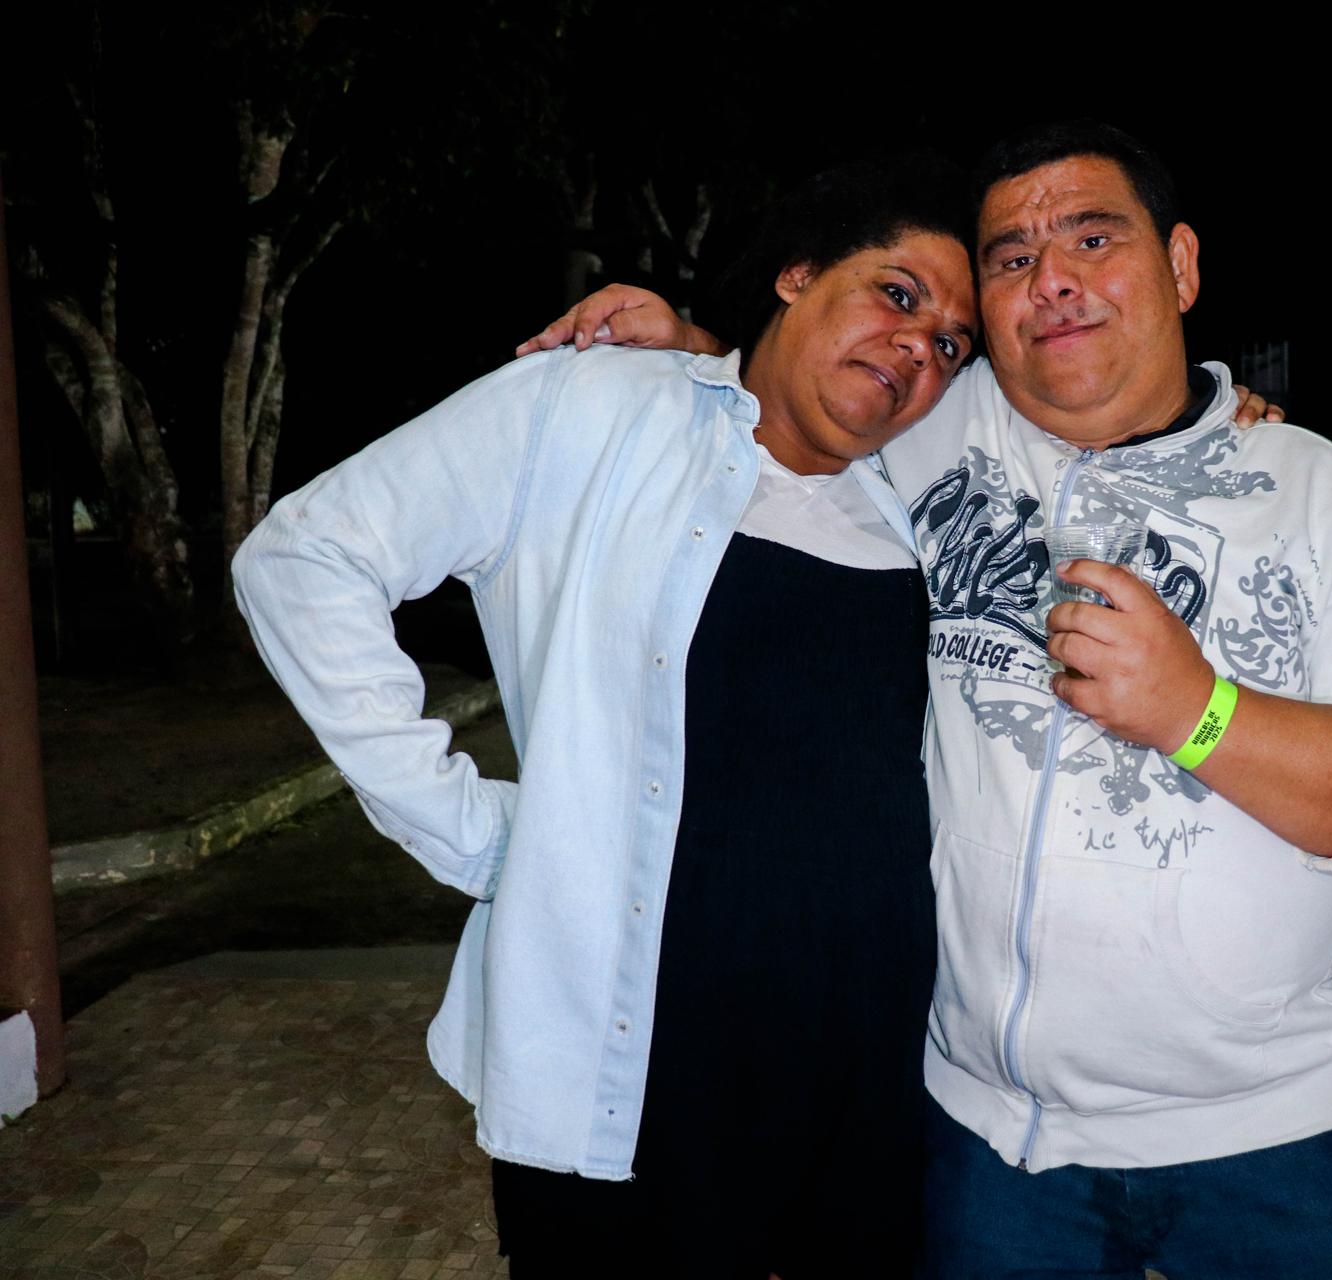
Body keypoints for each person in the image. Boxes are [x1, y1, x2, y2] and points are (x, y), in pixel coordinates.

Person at [525, 120, 1332, 1279]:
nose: (1055, 280)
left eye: (1094, 238)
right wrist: (693, 348)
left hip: (1274, 1135)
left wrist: (1198, 711)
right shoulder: (926, 430)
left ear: (1181, 265)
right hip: (989, 1150)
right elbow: (802, 392)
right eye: (1015, 258)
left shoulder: (1314, 491)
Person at [234, 159, 982, 1277]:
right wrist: (471, 831)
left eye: (952, 344)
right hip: (634, 1075)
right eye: (898, 294)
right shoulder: (586, 411)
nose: (920, 346)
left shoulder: (916, 503)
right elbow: (305, 558)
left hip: (870, 1076)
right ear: (796, 274)